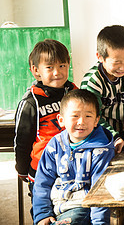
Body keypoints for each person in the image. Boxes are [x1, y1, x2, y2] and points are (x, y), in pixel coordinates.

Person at [33, 89, 115, 225]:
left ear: (96, 120)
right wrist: (42, 214)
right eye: (75, 116)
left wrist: (99, 223)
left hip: (82, 206)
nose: (81, 122)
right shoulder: (55, 144)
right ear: (61, 120)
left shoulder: (101, 150)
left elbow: (99, 191)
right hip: (57, 206)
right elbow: (42, 182)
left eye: (88, 116)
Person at [14, 39, 77, 202]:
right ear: (36, 71)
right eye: (49, 67)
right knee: (45, 212)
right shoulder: (30, 102)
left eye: (62, 65)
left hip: (75, 168)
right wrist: (22, 171)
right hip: (43, 172)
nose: (57, 72)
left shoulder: (74, 92)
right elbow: (22, 141)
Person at [80, 25, 124, 153]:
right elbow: (93, 117)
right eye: (117, 62)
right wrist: (114, 137)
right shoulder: (91, 82)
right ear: (100, 57)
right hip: (102, 134)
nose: (123, 67)